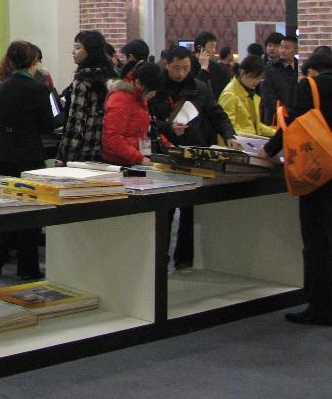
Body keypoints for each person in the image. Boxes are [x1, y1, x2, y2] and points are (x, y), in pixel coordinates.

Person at [263, 51, 332, 326]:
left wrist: (269, 149)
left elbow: (294, 121)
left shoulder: (309, 85)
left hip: (318, 174)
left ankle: (321, 307)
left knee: (317, 242)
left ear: (310, 71)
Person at [148, 45, 242, 271]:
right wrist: (167, 127)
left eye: (186, 68)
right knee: (164, 210)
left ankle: (185, 260)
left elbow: (217, 114)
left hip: (193, 151)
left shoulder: (198, 87)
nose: (181, 73)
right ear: (167, 64)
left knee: (190, 210)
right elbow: (146, 119)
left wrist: (229, 135)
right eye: (176, 68)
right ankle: (159, 262)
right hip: (163, 153)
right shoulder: (156, 88)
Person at [0, 41, 55, 278]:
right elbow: (48, 125)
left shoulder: (0, 87)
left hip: (5, 153)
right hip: (30, 154)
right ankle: (27, 268)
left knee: (6, 206)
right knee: (30, 210)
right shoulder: (39, 89)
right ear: (32, 61)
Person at [56, 30, 116, 163]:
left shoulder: (82, 80)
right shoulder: (113, 76)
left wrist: (65, 157)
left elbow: (76, 120)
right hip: (108, 146)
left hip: (86, 148)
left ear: (91, 51)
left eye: (77, 48)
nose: (73, 52)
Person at [101, 61, 162, 167]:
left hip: (136, 159)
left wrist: (170, 147)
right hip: (118, 163)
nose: (153, 94)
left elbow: (145, 131)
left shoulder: (140, 96)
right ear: (138, 83)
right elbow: (112, 136)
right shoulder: (120, 98)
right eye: (150, 91)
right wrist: (139, 159)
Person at [217, 56, 276, 139]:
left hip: (248, 141)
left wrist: (277, 133)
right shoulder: (229, 95)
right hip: (237, 144)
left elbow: (256, 125)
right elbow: (227, 129)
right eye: (254, 77)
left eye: (259, 78)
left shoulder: (248, 92)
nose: (257, 82)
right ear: (242, 73)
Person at [260, 33, 299, 124]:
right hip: (275, 118)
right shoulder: (269, 69)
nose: (282, 50)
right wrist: (283, 111)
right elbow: (268, 97)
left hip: (296, 118)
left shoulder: (300, 68)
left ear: (296, 50)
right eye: (281, 47)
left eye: (286, 48)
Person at [193, 31, 231, 100]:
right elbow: (195, 91)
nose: (214, 51)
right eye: (211, 47)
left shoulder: (219, 69)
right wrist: (203, 69)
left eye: (214, 47)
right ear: (199, 47)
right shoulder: (187, 65)